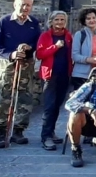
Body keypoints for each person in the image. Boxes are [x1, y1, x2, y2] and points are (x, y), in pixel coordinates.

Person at [0, 0, 41, 148]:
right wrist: (10, 54)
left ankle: (18, 131)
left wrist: (29, 48)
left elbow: (37, 41)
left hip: (26, 64)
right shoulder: (4, 22)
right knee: (2, 95)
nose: (25, 8)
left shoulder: (34, 23)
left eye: (28, 5)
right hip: (7, 64)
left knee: (25, 96)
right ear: (15, 4)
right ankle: (1, 131)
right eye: (22, 4)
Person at [36, 10, 73, 150]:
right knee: (49, 107)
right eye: (56, 20)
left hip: (64, 75)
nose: (59, 22)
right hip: (50, 76)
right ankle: (45, 137)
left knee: (57, 106)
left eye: (62, 20)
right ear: (51, 21)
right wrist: (55, 47)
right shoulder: (45, 36)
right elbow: (39, 54)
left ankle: (51, 132)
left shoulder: (68, 36)